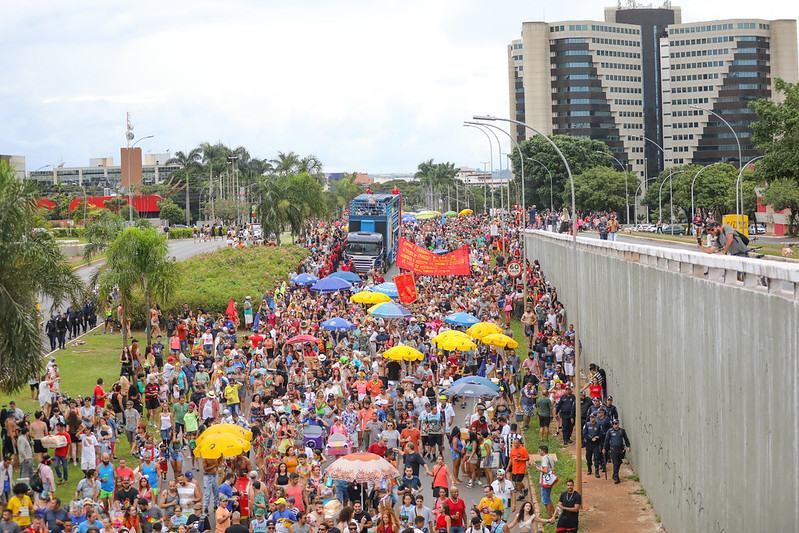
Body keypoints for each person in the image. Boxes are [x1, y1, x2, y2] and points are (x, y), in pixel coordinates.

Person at [603, 420, 631, 484]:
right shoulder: (610, 431)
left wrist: (628, 446)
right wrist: (604, 448)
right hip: (613, 450)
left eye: (616, 423)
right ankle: (616, 477)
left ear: (618, 424)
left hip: (620, 449)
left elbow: (626, 439)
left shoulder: (622, 431)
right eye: (614, 424)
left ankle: (614, 474)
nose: (615, 425)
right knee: (615, 463)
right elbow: (606, 440)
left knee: (619, 462)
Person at [533, 445, 555, 519]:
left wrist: (538, 469)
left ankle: (550, 518)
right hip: (550, 481)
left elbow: (545, 470)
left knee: (546, 502)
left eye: (540, 450)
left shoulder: (544, 458)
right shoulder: (550, 457)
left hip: (545, 482)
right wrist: (537, 465)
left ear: (542, 451)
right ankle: (555, 515)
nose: (539, 452)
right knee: (548, 498)